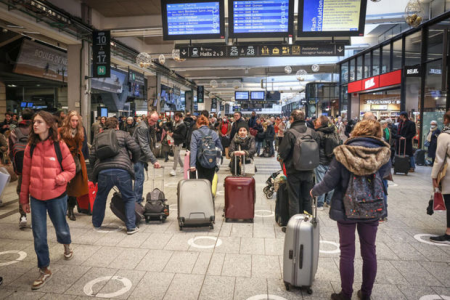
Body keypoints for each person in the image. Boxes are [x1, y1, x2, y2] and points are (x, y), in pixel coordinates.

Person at [311, 119, 391, 300]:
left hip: (346, 207)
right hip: (371, 206)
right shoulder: (384, 152)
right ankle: (366, 293)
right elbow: (385, 174)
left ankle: (345, 293)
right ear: (378, 132)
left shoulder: (343, 152)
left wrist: (314, 191)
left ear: (356, 131)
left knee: (347, 251)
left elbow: (329, 181)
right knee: (369, 250)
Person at [19, 110, 76, 290]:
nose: (35, 125)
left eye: (39, 122)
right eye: (34, 122)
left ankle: (66, 244)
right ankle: (44, 269)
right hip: (36, 197)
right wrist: (23, 200)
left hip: (56, 196)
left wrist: (60, 179)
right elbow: (25, 175)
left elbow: (71, 169)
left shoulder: (60, 146)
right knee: (39, 234)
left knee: (61, 228)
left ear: (49, 125)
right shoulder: (31, 146)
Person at [90, 117, 141, 234]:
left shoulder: (98, 137)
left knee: (100, 197)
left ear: (105, 126)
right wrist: (133, 161)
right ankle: (131, 227)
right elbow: (136, 148)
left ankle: (97, 224)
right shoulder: (124, 134)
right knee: (128, 197)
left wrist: (95, 169)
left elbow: (92, 155)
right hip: (122, 170)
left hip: (103, 171)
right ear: (117, 125)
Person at [278, 110, 319, 218]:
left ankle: (295, 226)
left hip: (293, 170)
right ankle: (308, 223)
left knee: (294, 198)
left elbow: (283, 152)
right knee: (307, 198)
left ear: (292, 119)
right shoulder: (312, 132)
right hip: (309, 170)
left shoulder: (290, 133)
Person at [59, 111, 89, 221]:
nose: (75, 123)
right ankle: (62, 208)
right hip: (64, 160)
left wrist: (84, 158)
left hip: (77, 160)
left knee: (75, 186)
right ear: (68, 120)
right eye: (73, 120)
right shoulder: (61, 130)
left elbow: (83, 145)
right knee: (63, 185)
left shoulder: (81, 130)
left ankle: (71, 209)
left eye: (77, 120)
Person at [9, 108, 34, 228]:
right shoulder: (35, 129)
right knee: (35, 191)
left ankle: (23, 215)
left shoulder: (15, 131)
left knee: (21, 191)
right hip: (35, 166)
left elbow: (11, 150)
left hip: (22, 166)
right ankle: (36, 218)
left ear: (21, 117)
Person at [431, 111, 450, 244]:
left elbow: (439, 159)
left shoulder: (444, 135)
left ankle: (449, 232)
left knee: (449, 201)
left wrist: (434, 176)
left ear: (446, 120)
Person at [134, 110, 161, 204]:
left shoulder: (147, 126)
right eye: (152, 120)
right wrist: (154, 160)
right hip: (138, 157)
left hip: (139, 157)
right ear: (148, 117)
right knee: (139, 179)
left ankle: (137, 199)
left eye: (155, 121)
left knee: (139, 179)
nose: (153, 123)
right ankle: (136, 202)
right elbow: (144, 145)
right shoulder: (143, 127)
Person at [189, 115, 222, 184]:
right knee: (209, 181)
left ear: (197, 124)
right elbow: (220, 148)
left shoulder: (195, 133)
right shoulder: (214, 133)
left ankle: (203, 194)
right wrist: (218, 163)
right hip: (212, 160)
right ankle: (209, 193)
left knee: (201, 182)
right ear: (207, 123)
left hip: (200, 160)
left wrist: (192, 164)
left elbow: (193, 149)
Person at [314, 115, 337, 210]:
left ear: (320, 123)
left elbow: (315, 148)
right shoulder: (333, 132)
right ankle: (329, 202)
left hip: (320, 161)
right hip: (332, 160)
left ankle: (319, 204)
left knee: (320, 182)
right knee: (331, 182)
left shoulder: (318, 133)